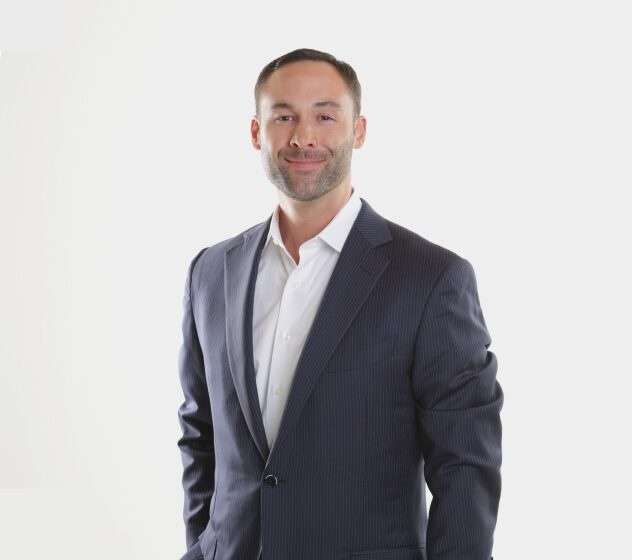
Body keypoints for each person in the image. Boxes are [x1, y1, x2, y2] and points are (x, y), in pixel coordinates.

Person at [176, 48, 503, 560]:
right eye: (284, 117)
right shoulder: (211, 272)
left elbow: (466, 466)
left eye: (325, 116)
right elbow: (201, 438)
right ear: (257, 132)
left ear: (359, 130)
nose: (303, 136)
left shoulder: (430, 278)